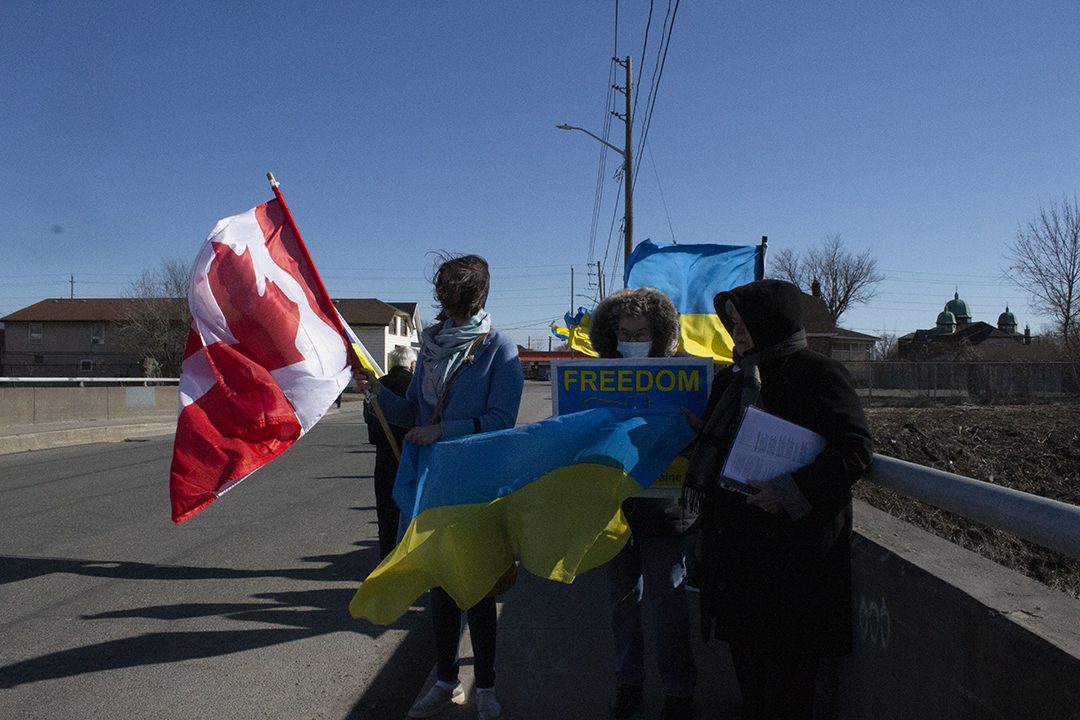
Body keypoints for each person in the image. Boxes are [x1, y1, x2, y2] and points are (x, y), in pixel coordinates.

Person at [682, 279, 873, 720]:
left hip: (795, 561)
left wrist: (788, 492)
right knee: (751, 684)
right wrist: (700, 437)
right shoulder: (731, 378)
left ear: (774, 320)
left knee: (790, 689)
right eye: (733, 322)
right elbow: (725, 450)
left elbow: (855, 450)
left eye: (744, 321)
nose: (738, 330)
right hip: (738, 559)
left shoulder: (819, 373)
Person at [354, 254, 523, 720]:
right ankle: (446, 680)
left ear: (475, 294)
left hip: (477, 485)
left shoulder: (499, 348)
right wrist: (377, 394)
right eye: (442, 289)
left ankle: (485, 685)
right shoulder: (429, 348)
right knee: (441, 589)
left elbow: (501, 422)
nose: (446, 298)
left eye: (454, 290)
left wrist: (442, 431)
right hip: (432, 483)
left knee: (480, 587)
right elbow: (411, 414)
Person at [589, 287, 697, 720]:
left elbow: (698, 441)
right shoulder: (597, 378)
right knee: (621, 603)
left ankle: (678, 691)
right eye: (624, 331)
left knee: (668, 605)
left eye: (642, 331)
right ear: (611, 335)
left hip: (666, 512)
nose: (632, 338)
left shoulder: (686, 376)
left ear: (660, 333)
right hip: (615, 511)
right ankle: (628, 682)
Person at [363, 344, 416, 559]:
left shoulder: (379, 385)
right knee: (409, 511)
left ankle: (387, 558)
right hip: (411, 454)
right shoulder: (415, 385)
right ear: (412, 364)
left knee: (386, 513)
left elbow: (369, 418)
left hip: (384, 457)